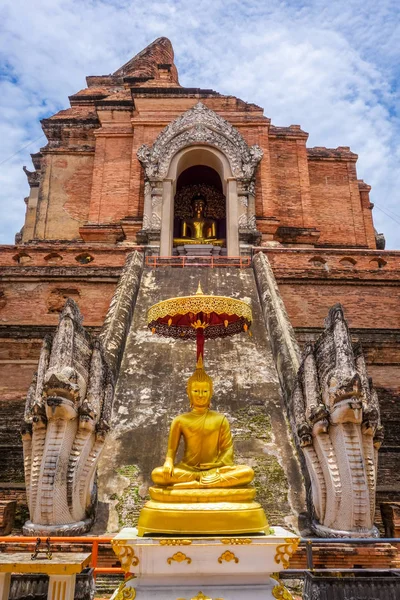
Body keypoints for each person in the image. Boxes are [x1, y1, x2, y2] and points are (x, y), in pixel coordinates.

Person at [151, 357, 254, 488]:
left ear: (210, 393)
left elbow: (227, 449)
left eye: (205, 391)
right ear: (189, 393)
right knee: (157, 474)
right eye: (196, 391)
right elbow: (171, 453)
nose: (200, 395)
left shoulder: (220, 419)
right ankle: (200, 480)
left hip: (214, 470)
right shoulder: (180, 420)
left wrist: (218, 465)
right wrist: (168, 463)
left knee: (247, 472)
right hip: (187, 469)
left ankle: (196, 483)